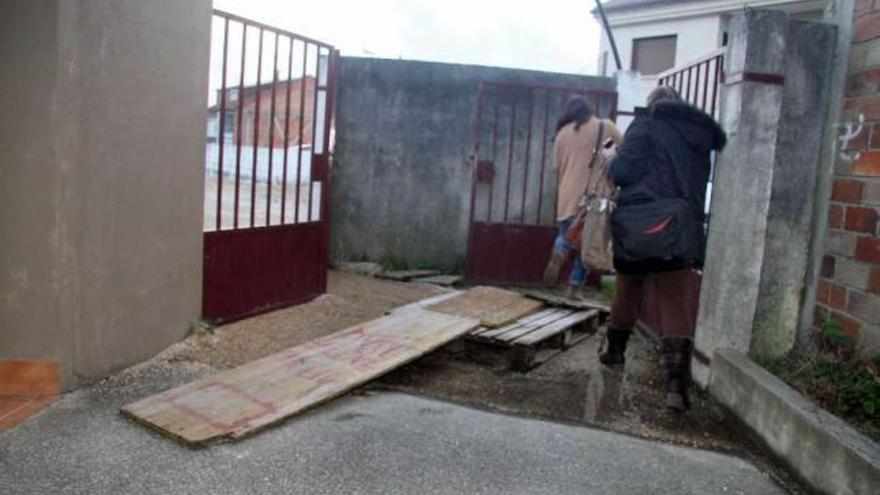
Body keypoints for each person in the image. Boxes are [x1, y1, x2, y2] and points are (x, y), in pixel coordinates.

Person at [600, 86, 726, 412]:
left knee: (628, 289)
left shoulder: (646, 125)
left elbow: (624, 172)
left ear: (654, 105)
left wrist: (610, 161)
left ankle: (614, 353)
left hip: (640, 222)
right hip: (681, 224)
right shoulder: (699, 137)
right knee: (674, 299)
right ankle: (675, 388)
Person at [544, 96, 623, 300]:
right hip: (594, 199)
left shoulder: (562, 133)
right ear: (590, 110)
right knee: (586, 244)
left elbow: (557, 167)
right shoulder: (605, 127)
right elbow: (621, 151)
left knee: (568, 234)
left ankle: (560, 249)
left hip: (566, 196)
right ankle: (575, 287)